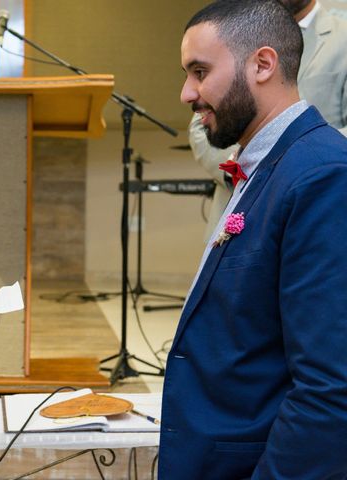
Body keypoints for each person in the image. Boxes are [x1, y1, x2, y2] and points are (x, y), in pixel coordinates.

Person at [159, 1, 347, 478]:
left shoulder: (323, 176)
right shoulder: (267, 164)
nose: (187, 92)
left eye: (200, 72)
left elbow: (330, 389)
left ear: (263, 64)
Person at [189, 0, 347, 239]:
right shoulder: (233, 31)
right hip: (235, 210)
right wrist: (244, 165)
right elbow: (200, 123)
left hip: (319, 212)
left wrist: (290, 165)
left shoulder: (342, 36)